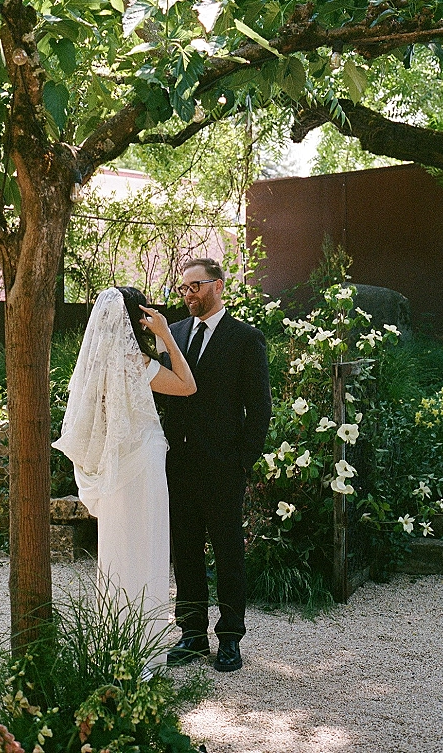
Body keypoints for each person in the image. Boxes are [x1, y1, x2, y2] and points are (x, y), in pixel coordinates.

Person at [52, 286, 196, 673]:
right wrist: (165, 334)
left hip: (115, 471)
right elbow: (187, 384)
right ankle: (142, 650)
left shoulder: (95, 369)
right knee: (146, 549)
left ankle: (115, 646)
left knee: (116, 555)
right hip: (142, 468)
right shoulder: (134, 361)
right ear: (135, 318)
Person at [162, 258, 272, 672]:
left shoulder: (246, 339)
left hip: (224, 467)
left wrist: (242, 462)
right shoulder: (171, 335)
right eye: (183, 288)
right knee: (185, 552)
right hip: (179, 466)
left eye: (195, 286)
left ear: (218, 287)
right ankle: (191, 634)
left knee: (228, 554)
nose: (188, 294)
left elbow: (259, 408)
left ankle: (230, 638)